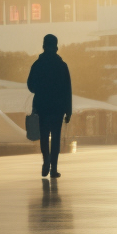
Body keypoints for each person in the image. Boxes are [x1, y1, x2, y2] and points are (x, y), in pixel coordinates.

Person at [27, 33, 72, 178]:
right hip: (58, 108)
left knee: (44, 137)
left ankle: (45, 161)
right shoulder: (62, 66)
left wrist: (41, 90)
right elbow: (67, 90)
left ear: (43, 47)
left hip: (42, 107)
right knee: (56, 138)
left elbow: (31, 86)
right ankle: (53, 168)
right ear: (56, 47)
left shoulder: (37, 65)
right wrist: (68, 110)